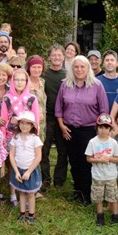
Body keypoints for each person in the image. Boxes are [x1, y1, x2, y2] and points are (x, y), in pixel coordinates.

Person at [56, 55, 109, 206]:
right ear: (72, 69)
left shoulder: (97, 85)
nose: (79, 70)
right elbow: (59, 108)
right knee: (73, 161)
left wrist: (101, 132)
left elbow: (104, 111)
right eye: (76, 67)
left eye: (82, 67)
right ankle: (77, 191)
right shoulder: (66, 85)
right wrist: (61, 126)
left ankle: (87, 194)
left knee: (86, 163)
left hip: (89, 130)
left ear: (88, 68)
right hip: (69, 129)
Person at [0, 68, 40, 205]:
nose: (19, 82)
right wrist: (3, 137)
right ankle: (13, 194)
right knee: (14, 163)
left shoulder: (31, 98)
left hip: (28, 135)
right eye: (16, 79)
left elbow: (36, 117)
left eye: (22, 79)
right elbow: (3, 119)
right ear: (12, 81)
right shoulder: (7, 98)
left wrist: (36, 134)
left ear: (26, 81)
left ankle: (29, 191)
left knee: (29, 161)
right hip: (12, 135)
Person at [86, 113, 118, 226]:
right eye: (101, 127)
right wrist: (99, 160)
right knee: (98, 197)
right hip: (98, 175)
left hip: (111, 175)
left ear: (110, 129)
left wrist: (109, 158)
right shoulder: (93, 142)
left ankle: (115, 215)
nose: (103, 130)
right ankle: (100, 216)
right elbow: (88, 158)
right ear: (97, 128)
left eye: (106, 127)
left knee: (113, 196)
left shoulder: (113, 142)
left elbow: (117, 159)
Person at [41, 45, 67, 190]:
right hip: (47, 117)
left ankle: (59, 181)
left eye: (59, 55)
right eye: (54, 55)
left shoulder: (68, 75)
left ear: (63, 57)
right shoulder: (44, 75)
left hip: (63, 119)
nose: (56, 57)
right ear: (49, 57)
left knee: (62, 151)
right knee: (44, 150)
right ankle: (45, 180)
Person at [9, 111, 43, 223]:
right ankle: (22, 213)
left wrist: (28, 171)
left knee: (31, 194)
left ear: (32, 125)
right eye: (22, 123)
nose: (24, 126)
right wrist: (16, 171)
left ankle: (31, 215)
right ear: (18, 124)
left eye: (27, 123)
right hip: (18, 170)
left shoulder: (35, 139)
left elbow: (38, 157)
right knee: (21, 192)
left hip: (31, 170)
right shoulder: (16, 138)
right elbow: (12, 155)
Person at [26, 55, 46, 143]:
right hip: (29, 122)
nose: (36, 70)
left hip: (42, 121)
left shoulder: (42, 82)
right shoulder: (25, 83)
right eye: (34, 67)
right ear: (29, 68)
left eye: (39, 67)